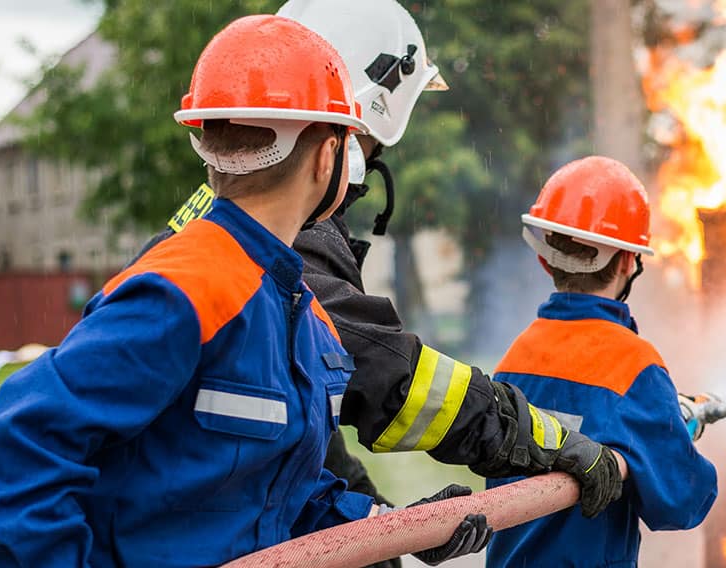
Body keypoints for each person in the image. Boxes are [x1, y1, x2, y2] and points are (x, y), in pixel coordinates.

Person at [0, 16, 487, 567]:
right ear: (331, 155)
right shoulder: (183, 291)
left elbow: (282, 493)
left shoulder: (303, 317)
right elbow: (20, 449)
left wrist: (397, 530)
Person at [146, 0, 625, 525]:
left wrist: (378, 527)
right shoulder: (275, 244)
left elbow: (294, 435)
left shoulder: (229, 220)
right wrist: (543, 440)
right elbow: (391, 377)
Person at [485, 156, 719, 567]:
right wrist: (675, 437)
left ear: (545, 258)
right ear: (629, 261)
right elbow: (681, 502)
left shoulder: (516, 357)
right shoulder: (635, 366)